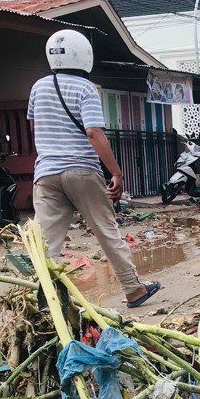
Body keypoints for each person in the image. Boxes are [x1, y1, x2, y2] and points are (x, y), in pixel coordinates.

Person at [28, 30, 159, 308]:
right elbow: (93, 133)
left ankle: (42, 298)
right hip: (82, 171)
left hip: (46, 173)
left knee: (46, 242)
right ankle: (134, 290)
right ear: (84, 55)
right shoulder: (85, 88)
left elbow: (35, 126)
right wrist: (116, 172)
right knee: (106, 231)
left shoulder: (38, 87)